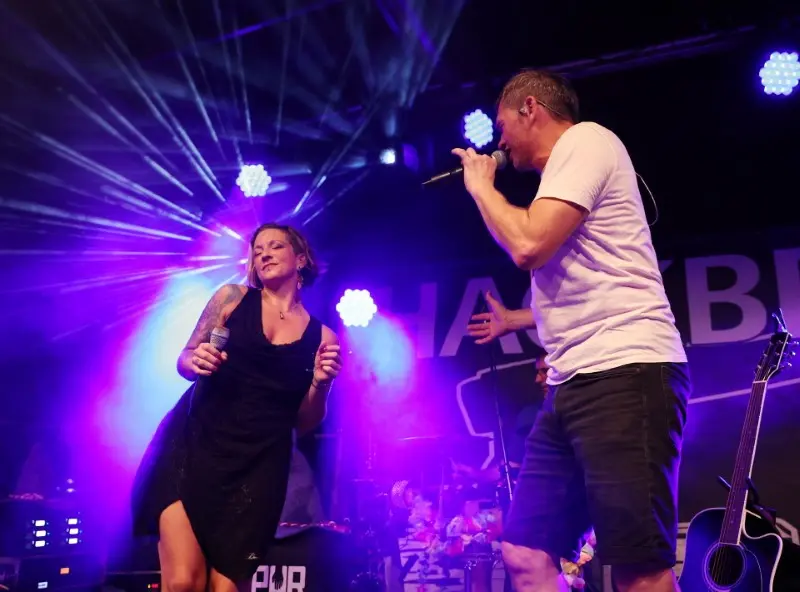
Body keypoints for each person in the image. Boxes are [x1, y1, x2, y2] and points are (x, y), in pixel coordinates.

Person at [453, 70, 691, 592]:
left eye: (502, 126)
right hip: (571, 382)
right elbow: (589, 283)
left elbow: (527, 246)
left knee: (637, 568)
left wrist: (480, 186)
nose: (499, 142)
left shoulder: (586, 141)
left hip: (625, 370)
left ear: (530, 109)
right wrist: (517, 320)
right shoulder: (559, 180)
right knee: (524, 553)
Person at [131, 223, 342, 592]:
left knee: (226, 588)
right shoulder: (231, 298)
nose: (264, 254)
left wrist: (322, 383)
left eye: (275, 246)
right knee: (183, 582)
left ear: (301, 259)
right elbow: (185, 358)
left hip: (257, 469)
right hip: (194, 446)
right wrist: (195, 359)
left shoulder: (321, 337)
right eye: (257, 250)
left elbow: (304, 422)